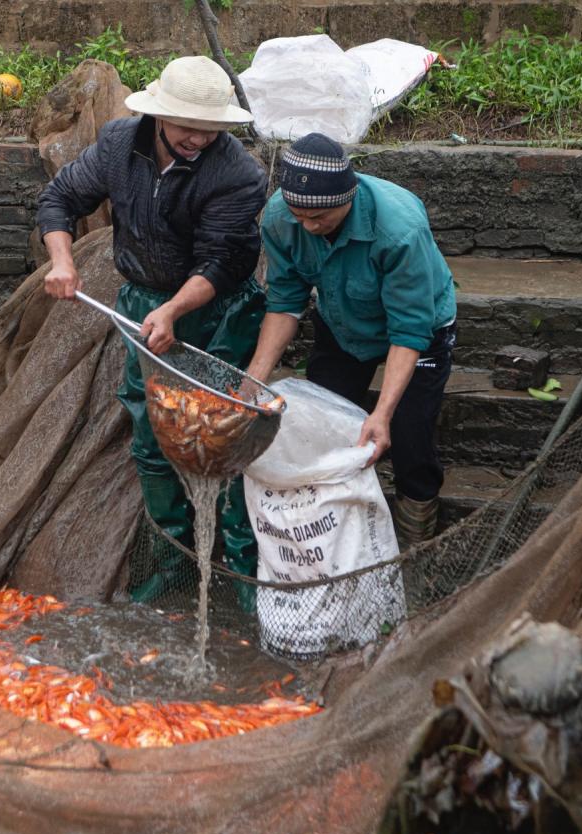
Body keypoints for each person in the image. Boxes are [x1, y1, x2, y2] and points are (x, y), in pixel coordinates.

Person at [36, 55, 268, 606]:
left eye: (209, 129)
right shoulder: (120, 143)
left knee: (223, 434)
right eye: (187, 126)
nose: (198, 138)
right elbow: (61, 199)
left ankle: (241, 566)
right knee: (153, 432)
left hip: (219, 308)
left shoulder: (238, 173)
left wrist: (173, 312)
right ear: (160, 116)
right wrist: (62, 261)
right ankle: (175, 560)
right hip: (142, 296)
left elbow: (219, 264)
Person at [245, 133, 457, 544]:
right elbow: (286, 300)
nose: (306, 225)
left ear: (348, 197)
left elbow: (409, 329)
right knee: (322, 421)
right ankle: (333, 535)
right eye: (298, 214)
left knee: (410, 434)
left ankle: (416, 534)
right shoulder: (280, 218)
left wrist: (381, 413)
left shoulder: (398, 230)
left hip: (420, 331)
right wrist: (254, 377)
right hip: (344, 325)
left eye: (319, 218)